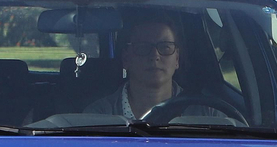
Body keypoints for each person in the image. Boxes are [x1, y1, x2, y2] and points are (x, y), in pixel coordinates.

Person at [85, 16, 225, 121]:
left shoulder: (208, 115)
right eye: (143, 48)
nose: (155, 56)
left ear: (177, 59)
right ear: (126, 59)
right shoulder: (97, 116)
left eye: (165, 47)